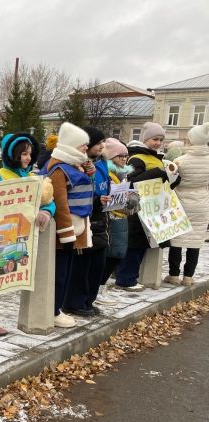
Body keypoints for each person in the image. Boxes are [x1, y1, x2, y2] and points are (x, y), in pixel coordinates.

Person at [0, 132, 55, 335]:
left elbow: (49, 200)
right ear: (13, 154)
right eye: (23, 153)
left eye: (29, 153)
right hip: (1, 233)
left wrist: (46, 211)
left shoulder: (32, 177)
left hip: (23, 235)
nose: (27, 157)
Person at [44, 122, 93, 328]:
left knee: (66, 272)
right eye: (83, 146)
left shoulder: (72, 165)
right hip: (65, 232)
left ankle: (58, 308)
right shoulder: (59, 169)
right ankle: (53, 310)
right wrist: (66, 234)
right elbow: (61, 204)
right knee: (59, 274)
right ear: (73, 146)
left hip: (76, 228)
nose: (86, 150)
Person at [114, 122, 172, 292]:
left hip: (152, 208)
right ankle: (125, 279)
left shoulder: (155, 157)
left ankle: (129, 277)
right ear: (146, 139)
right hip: (137, 208)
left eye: (161, 140)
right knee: (134, 244)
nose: (158, 143)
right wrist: (158, 173)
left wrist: (172, 178)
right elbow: (132, 181)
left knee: (142, 245)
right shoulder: (137, 158)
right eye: (155, 139)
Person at [63, 126, 109, 316]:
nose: (102, 146)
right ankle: (74, 302)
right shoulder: (75, 166)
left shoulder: (100, 165)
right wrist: (98, 201)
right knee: (81, 267)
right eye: (98, 143)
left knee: (96, 265)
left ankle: (88, 300)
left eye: (103, 143)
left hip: (100, 221)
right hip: (83, 220)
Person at [164, 123, 209, 286]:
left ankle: (174, 275)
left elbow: (171, 182)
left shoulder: (180, 160)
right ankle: (188, 277)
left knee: (177, 240)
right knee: (195, 242)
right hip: (202, 204)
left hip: (181, 203)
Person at [95, 138, 133, 305]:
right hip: (111, 219)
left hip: (121, 217)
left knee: (117, 255)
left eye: (126, 155)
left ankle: (102, 287)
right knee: (111, 256)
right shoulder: (107, 174)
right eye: (120, 156)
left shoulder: (122, 174)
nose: (124, 159)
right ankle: (98, 288)